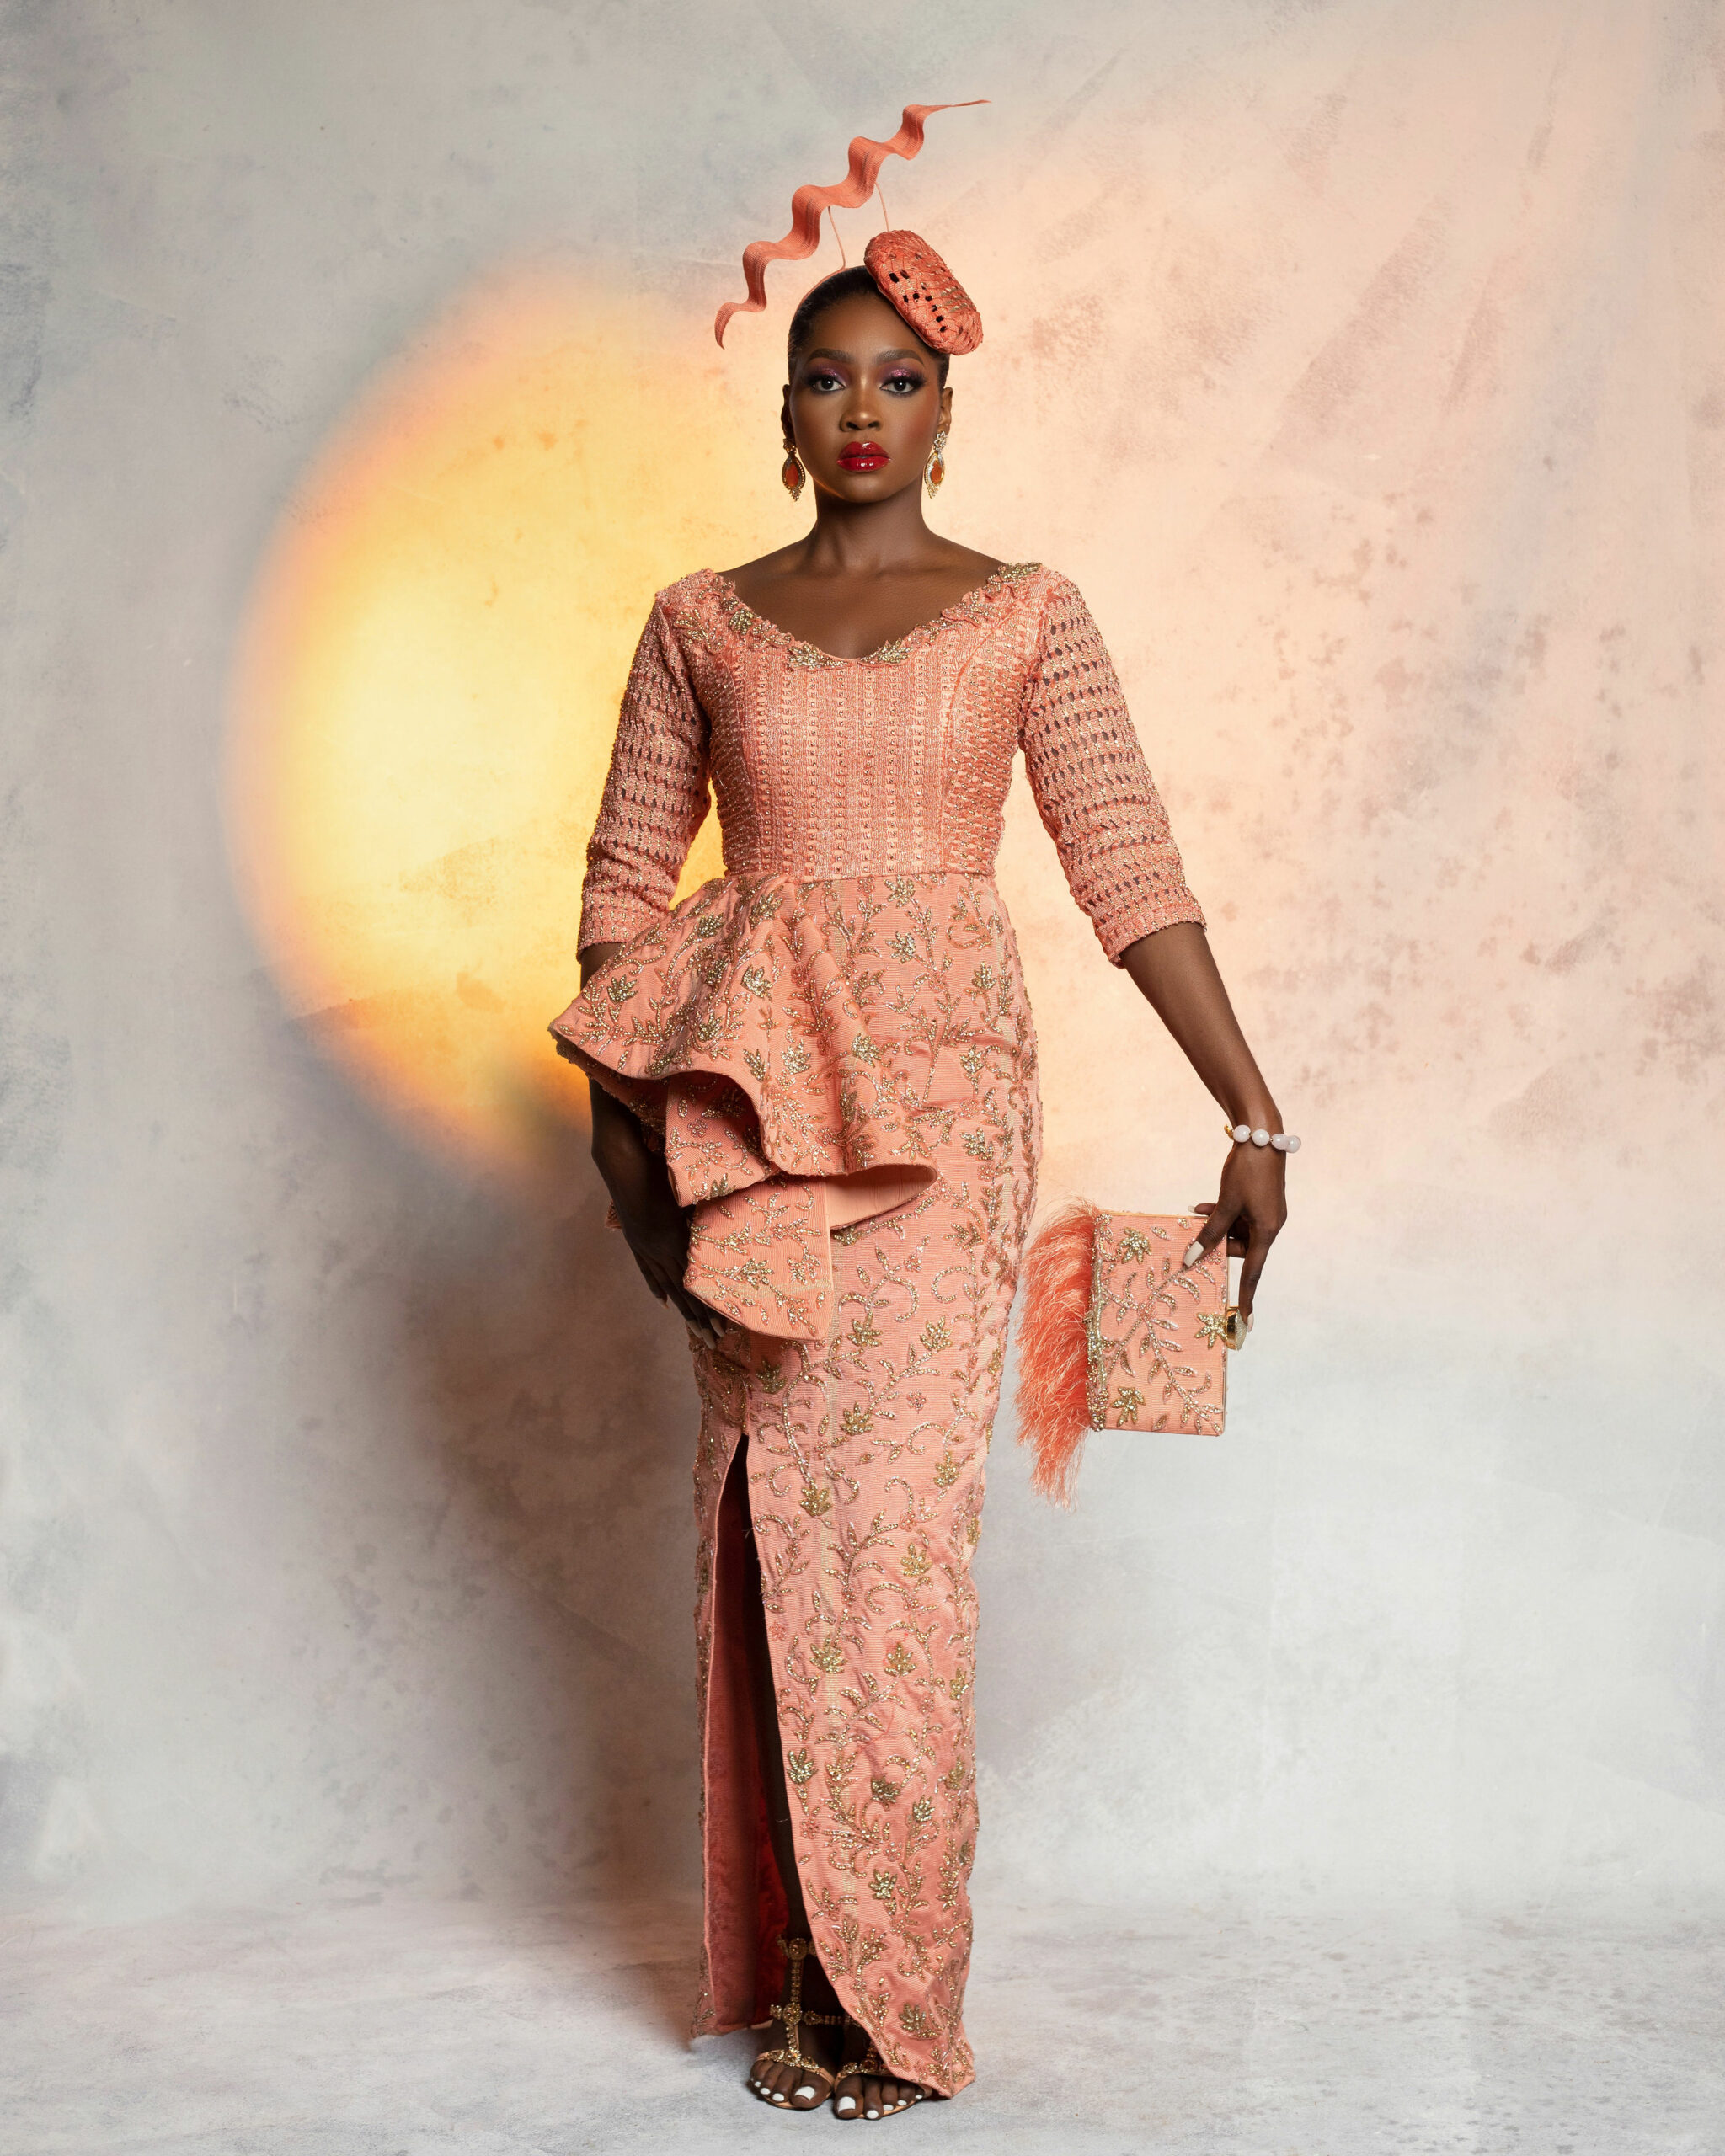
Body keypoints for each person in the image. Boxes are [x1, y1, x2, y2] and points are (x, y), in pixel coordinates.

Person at [551, 213, 1287, 2121]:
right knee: (773, 1529)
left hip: (947, 1122)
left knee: (897, 1552)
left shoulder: (1028, 612)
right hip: (746, 1123)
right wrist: (632, 1155)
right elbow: (625, 885)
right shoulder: (699, 619)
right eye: (826, 376)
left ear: (949, 412)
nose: (862, 407)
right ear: (784, 413)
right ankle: (800, 1960)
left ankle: (889, 1987)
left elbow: (1129, 870)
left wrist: (1253, 1113)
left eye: (901, 377)